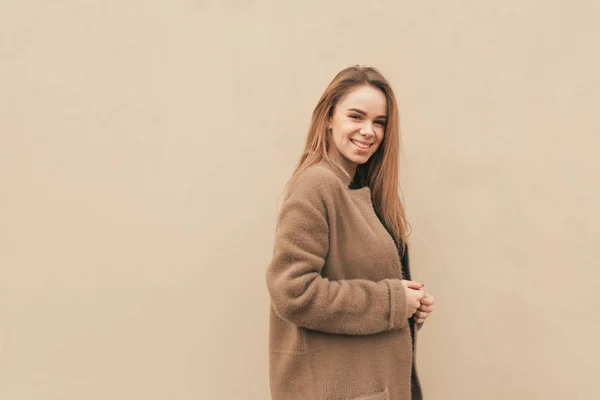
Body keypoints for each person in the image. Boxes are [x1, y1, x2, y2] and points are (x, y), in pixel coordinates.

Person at [265, 65, 436, 400]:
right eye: (356, 116)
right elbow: (292, 292)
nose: (368, 131)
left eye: (379, 122)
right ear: (328, 118)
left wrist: (408, 307)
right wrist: (390, 301)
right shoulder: (317, 185)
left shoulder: (361, 191)